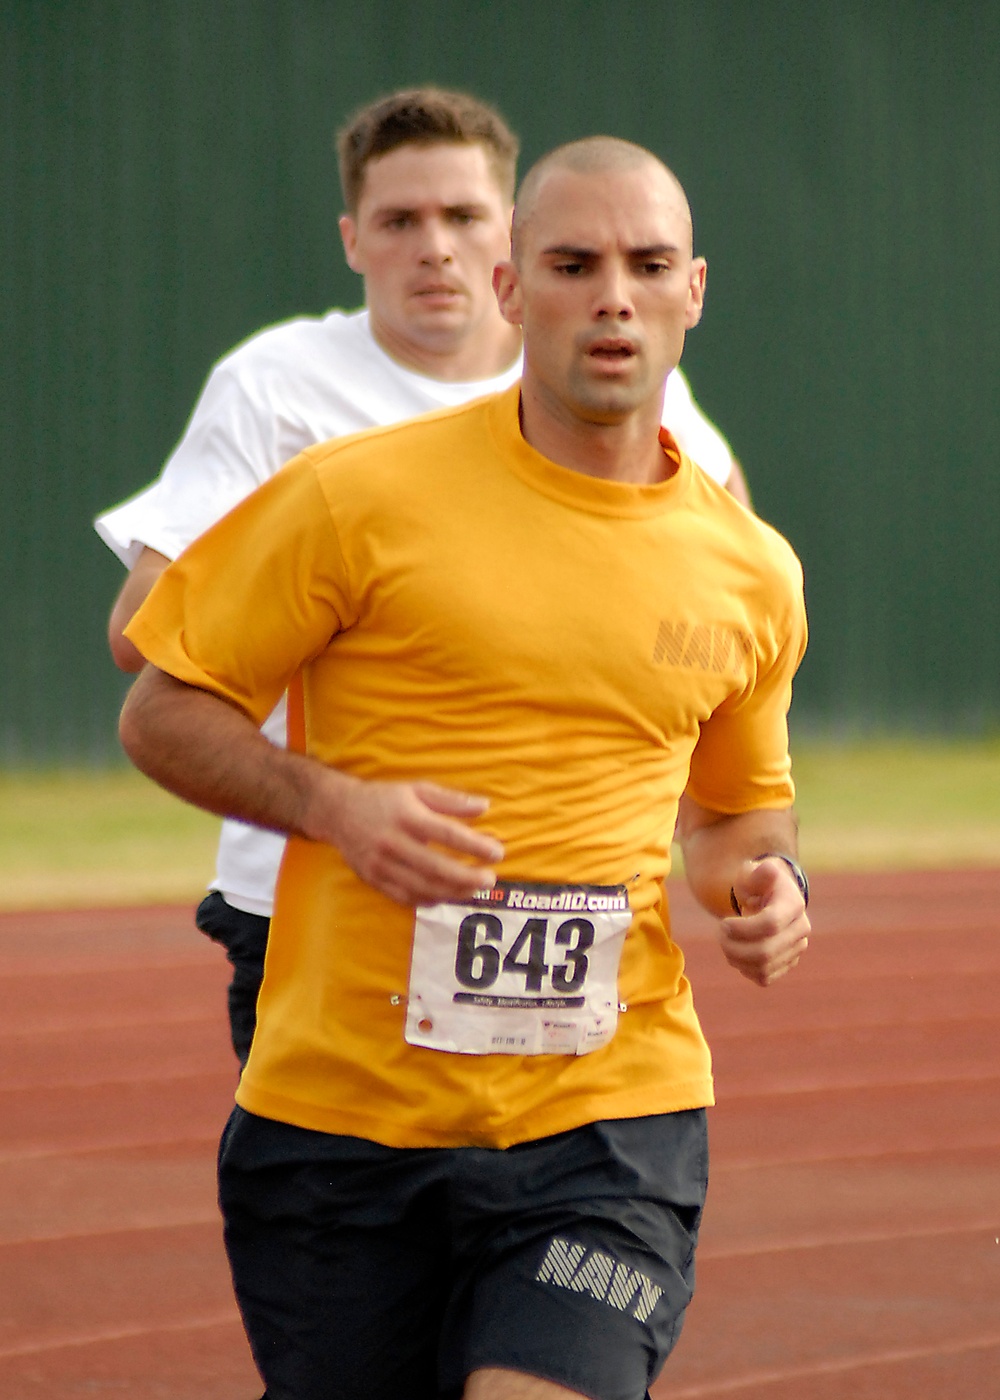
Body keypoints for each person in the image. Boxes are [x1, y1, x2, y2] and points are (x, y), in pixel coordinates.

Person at [117, 134, 809, 1400]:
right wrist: (328, 802)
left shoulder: (752, 569)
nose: (613, 295)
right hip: (342, 1122)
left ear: (692, 291)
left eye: (648, 264)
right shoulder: (351, 497)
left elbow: (735, 821)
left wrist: (766, 891)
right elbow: (164, 707)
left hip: (608, 1118)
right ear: (509, 287)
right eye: (572, 262)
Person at [95, 87, 749, 1067]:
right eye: (401, 220)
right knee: (340, 1203)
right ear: (354, 239)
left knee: (561, 1201)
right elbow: (146, 632)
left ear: (509, 253)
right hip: (310, 885)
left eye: (462, 216)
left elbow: (737, 580)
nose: (432, 247)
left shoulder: (605, 376)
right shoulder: (278, 384)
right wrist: (364, 601)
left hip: (552, 890)